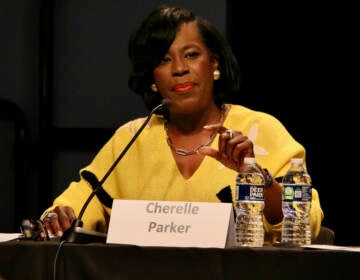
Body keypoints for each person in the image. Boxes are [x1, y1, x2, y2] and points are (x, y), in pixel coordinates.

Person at [41, 5, 323, 244]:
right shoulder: (132, 138)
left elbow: (306, 224)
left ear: (214, 64)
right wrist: (59, 216)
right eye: (164, 60)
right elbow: (77, 203)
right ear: (153, 78)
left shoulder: (260, 129)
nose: (179, 69)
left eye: (191, 54)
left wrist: (258, 177)